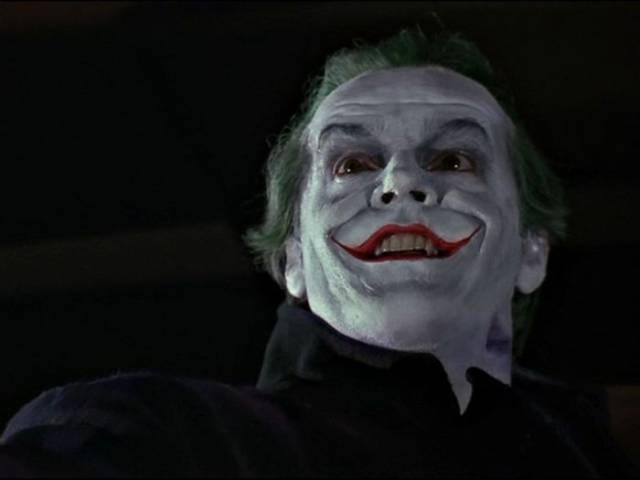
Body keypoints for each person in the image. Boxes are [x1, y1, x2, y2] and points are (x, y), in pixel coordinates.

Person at [0, 27, 636, 477]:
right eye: (352, 164)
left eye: (454, 159)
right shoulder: (164, 437)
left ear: (531, 253)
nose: (400, 183)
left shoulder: (591, 448)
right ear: (293, 263)